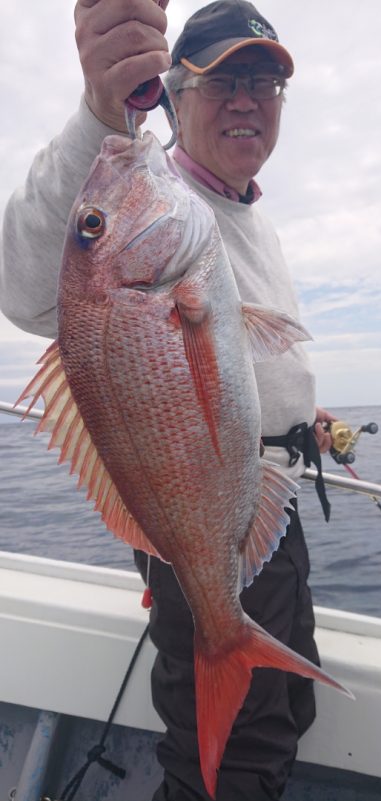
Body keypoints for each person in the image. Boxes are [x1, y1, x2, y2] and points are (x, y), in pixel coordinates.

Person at [0, 1, 336, 799]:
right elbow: (24, 286)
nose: (248, 100)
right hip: (203, 519)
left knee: (287, 704)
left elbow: (236, 356)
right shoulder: (150, 208)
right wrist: (100, 109)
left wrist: (301, 421)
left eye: (264, 84)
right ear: (174, 99)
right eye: (223, 83)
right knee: (231, 762)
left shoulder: (236, 214)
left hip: (260, 511)